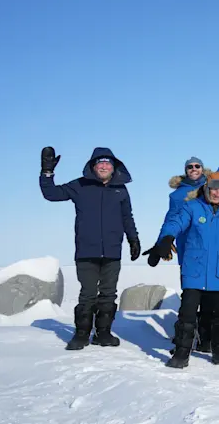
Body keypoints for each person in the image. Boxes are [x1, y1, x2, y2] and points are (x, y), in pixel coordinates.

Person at [144, 172, 219, 368]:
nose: (217, 193)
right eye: (213, 189)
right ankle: (181, 353)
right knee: (187, 314)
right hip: (195, 270)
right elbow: (175, 222)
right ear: (206, 188)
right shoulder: (192, 206)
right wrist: (167, 238)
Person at [161, 117, 219, 352]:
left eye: (197, 166)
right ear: (184, 171)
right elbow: (172, 221)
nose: (194, 170)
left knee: (214, 300)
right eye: (190, 167)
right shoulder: (178, 197)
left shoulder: (214, 184)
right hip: (190, 252)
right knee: (191, 298)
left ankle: (211, 338)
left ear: (203, 169)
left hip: (216, 248)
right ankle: (187, 339)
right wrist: (164, 240)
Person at [40, 146, 140, 351]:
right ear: (93, 166)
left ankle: (103, 333)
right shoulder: (80, 185)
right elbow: (51, 194)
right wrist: (47, 172)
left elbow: (127, 217)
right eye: (100, 162)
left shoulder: (121, 189)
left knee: (109, 293)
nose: (103, 166)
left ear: (114, 167)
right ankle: (81, 334)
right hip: (86, 250)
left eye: (107, 162)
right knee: (87, 294)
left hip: (112, 250)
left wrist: (133, 239)